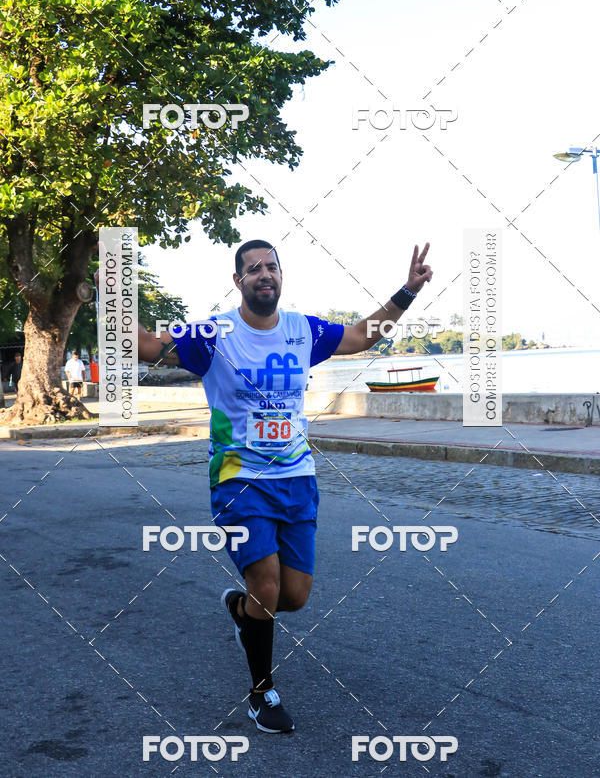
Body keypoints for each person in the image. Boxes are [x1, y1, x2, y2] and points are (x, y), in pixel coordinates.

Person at [136, 239, 433, 733]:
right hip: (238, 478)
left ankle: (241, 609)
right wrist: (110, 297)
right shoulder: (213, 335)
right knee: (267, 585)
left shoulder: (302, 330)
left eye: (271, 266)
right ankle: (262, 694)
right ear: (238, 281)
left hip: (296, 477)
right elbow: (147, 346)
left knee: (293, 596)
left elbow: (361, 337)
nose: (264, 274)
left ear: (280, 275)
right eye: (253, 269)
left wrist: (408, 292)